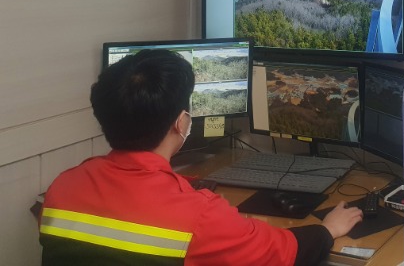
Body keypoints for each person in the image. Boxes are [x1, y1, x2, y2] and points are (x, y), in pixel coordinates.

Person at [39, 49, 363, 265]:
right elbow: (282, 252)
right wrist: (327, 230)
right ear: (181, 123)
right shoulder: (199, 215)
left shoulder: (63, 187)